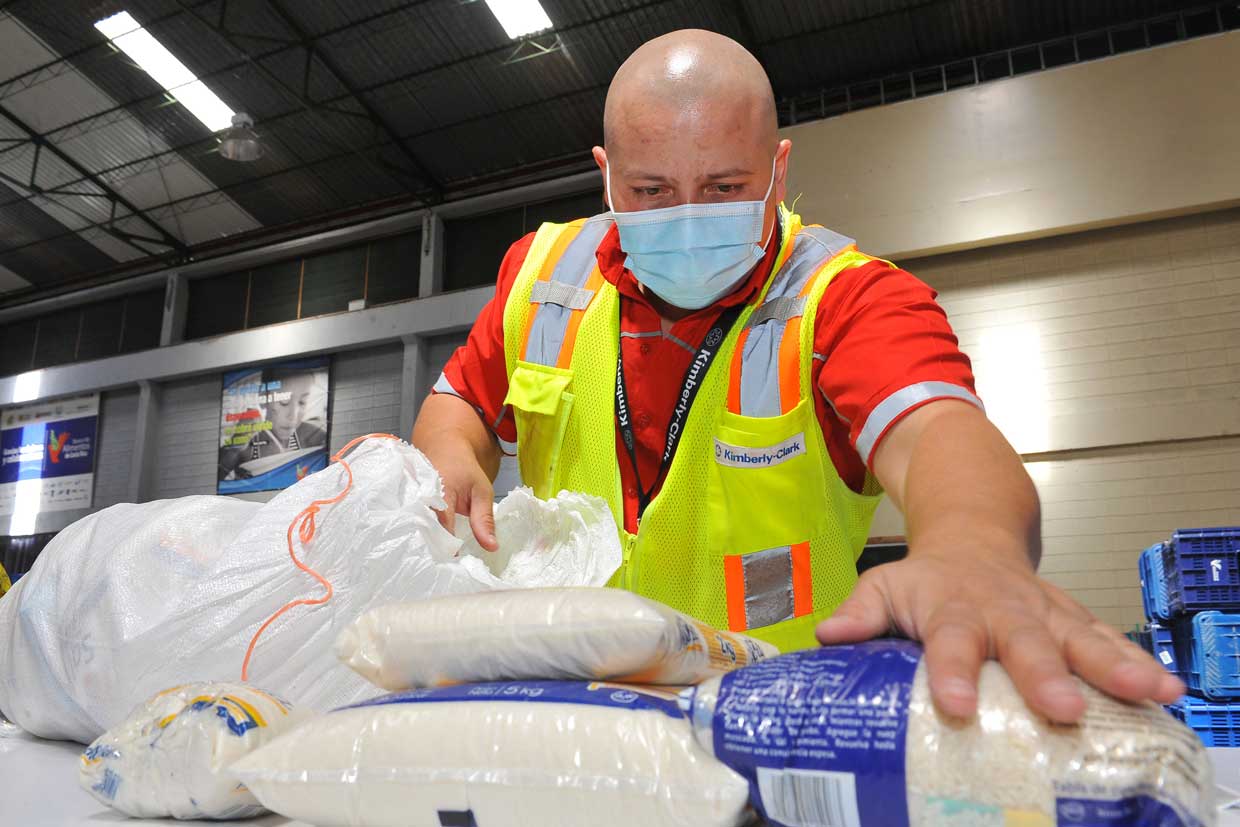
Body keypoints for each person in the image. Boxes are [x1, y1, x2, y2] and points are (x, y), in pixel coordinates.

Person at [413, 29, 1182, 722]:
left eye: (723, 188)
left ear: (778, 171)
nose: (688, 217)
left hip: (774, 732)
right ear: (606, 176)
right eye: (650, 191)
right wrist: (448, 453)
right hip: (570, 720)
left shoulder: (845, 300)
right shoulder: (544, 274)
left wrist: (972, 545)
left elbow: (936, 430)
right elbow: (457, 404)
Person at [219, 369, 326, 480]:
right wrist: (235, 447)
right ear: (263, 398)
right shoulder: (249, 441)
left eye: (302, 402)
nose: (293, 416)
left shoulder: (314, 436)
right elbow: (216, 474)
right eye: (284, 402)